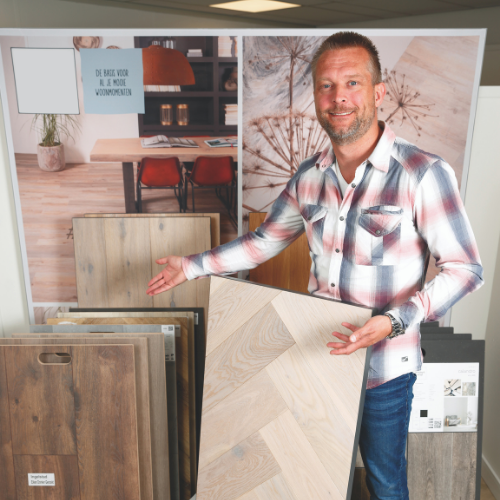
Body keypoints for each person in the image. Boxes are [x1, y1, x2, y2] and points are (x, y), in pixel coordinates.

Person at [146, 32, 484, 500]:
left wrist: (393, 320)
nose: (339, 96)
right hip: (316, 356)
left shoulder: (422, 173)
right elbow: (264, 242)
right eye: (327, 85)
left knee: (386, 483)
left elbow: (466, 269)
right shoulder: (309, 176)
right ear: (316, 95)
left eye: (352, 83)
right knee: (311, 479)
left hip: (386, 368)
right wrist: (191, 266)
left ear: (378, 92)